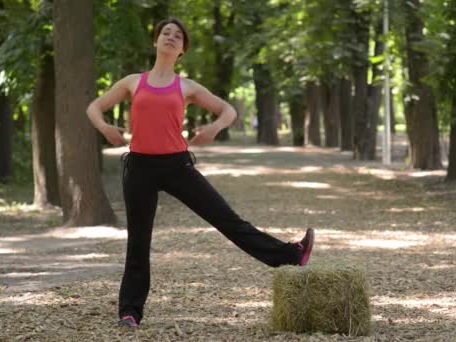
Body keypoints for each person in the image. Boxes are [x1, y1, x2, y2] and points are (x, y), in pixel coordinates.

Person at [86, 17, 315, 329]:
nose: (170, 37)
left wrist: (214, 129)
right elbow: (94, 108)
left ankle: (290, 255)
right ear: (155, 41)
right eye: (165, 32)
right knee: (138, 241)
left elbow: (228, 111)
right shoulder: (132, 82)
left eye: (177, 36)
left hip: (177, 165)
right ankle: (130, 311)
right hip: (139, 167)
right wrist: (105, 129)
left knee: (227, 220)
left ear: (182, 49)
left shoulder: (187, 87)